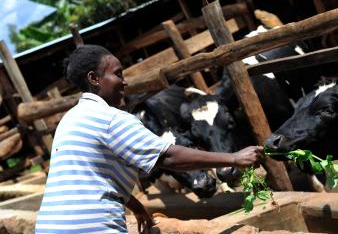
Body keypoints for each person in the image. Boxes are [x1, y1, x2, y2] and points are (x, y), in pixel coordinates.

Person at [35, 44, 264, 233]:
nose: (124, 81)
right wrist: (234, 158)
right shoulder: (111, 118)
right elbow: (170, 158)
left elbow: (90, 177)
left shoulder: (69, 120)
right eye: (118, 74)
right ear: (94, 78)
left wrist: (134, 204)